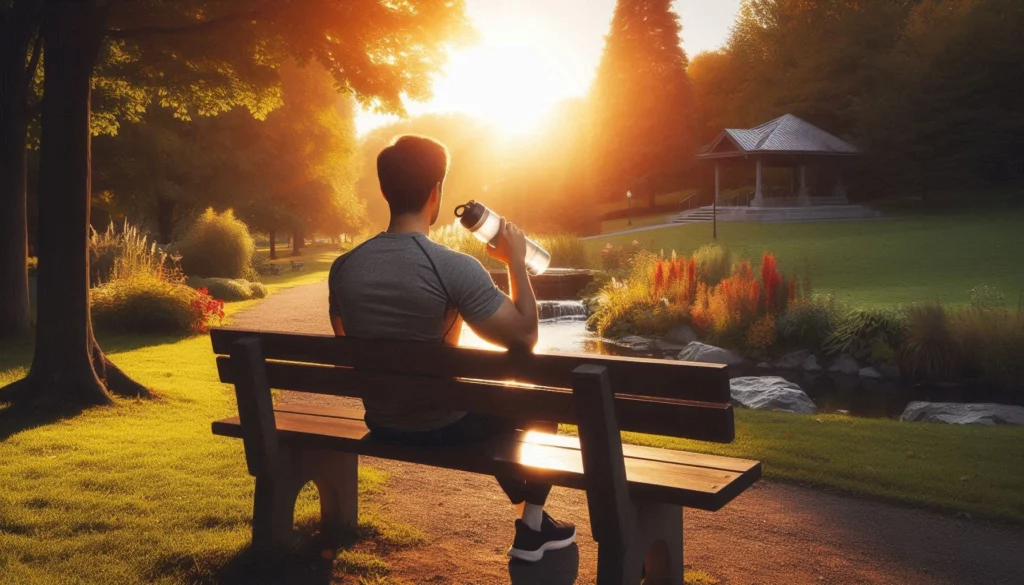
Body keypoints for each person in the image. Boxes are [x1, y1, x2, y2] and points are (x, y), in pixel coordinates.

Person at [327, 135, 575, 562]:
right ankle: (532, 527)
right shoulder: (452, 267)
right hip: (439, 425)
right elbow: (524, 337)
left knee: (488, 406)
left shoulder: (344, 267)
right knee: (542, 400)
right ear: (436, 191)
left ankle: (535, 525)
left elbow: (346, 340)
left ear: (385, 191)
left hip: (382, 420)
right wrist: (514, 261)